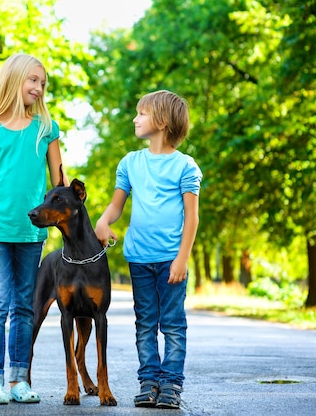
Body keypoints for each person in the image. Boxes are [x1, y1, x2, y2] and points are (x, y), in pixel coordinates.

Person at [94, 90, 202, 409]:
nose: (135, 118)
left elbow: (192, 218)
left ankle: (170, 385)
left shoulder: (185, 166)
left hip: (171, 260)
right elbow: (116, 206)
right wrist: (102, 222)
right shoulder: (131, 162)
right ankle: (149, 381)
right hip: (139, 259)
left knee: (171, 324)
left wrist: (182, 259)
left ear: (163, 121)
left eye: (142, 113)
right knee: (145, 323)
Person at [0, 53, 67, 405]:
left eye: (43, 83)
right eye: (33, 81)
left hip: (31, 235)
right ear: (13, 80)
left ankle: (18, 380)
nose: (39, 88)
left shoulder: (46, 129)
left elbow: (61, 184)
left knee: (25, 306)